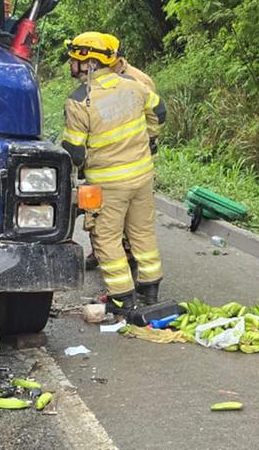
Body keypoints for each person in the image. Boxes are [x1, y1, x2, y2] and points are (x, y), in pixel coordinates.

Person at [61, 32, 165, 315]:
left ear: (89, 62)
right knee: (142, 232)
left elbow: (74, 152)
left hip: (107, 185)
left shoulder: (80, 101)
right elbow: (159, 111)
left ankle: (122, 299)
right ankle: (150, 289)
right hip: (143, 176)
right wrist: (150, 138)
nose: (70, 63)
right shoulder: (133, 85)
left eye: (74, 58)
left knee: (106, 239)